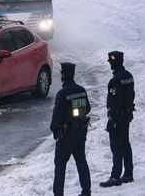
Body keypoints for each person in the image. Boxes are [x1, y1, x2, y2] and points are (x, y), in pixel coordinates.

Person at [51, 62, 91, 196]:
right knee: (81, 162)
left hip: (66, 135)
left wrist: (54, 129)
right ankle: (86, 191)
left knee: (60, 166)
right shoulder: (81, 90)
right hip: (80, 132)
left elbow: (56, 116)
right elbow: (88, 108)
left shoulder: (63, 93)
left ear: (63, 75)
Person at [99, 50, 135, 187]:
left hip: (118, 117)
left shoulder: (115, 80)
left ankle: (115, 176)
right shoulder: (129, 76)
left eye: (111, 62)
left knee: (116, 146)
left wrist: (113, 119)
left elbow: (114, 101)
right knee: (125, 143)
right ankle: (128, 173)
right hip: (127, 115)